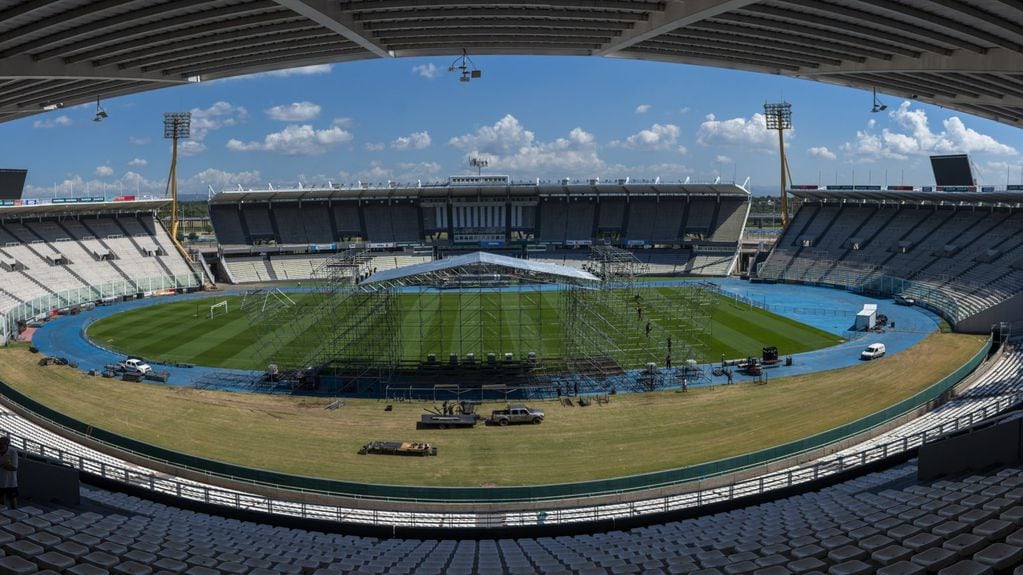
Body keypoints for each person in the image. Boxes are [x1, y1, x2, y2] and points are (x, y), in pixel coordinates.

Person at [0, 436, 18, 509]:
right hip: (0, 481)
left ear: (6, 445)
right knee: (1, 499)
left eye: (1, 444)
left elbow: (14, 468)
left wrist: (3, 465)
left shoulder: (13, 452)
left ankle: (15, 513)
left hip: (11, 482)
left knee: (12, 499)